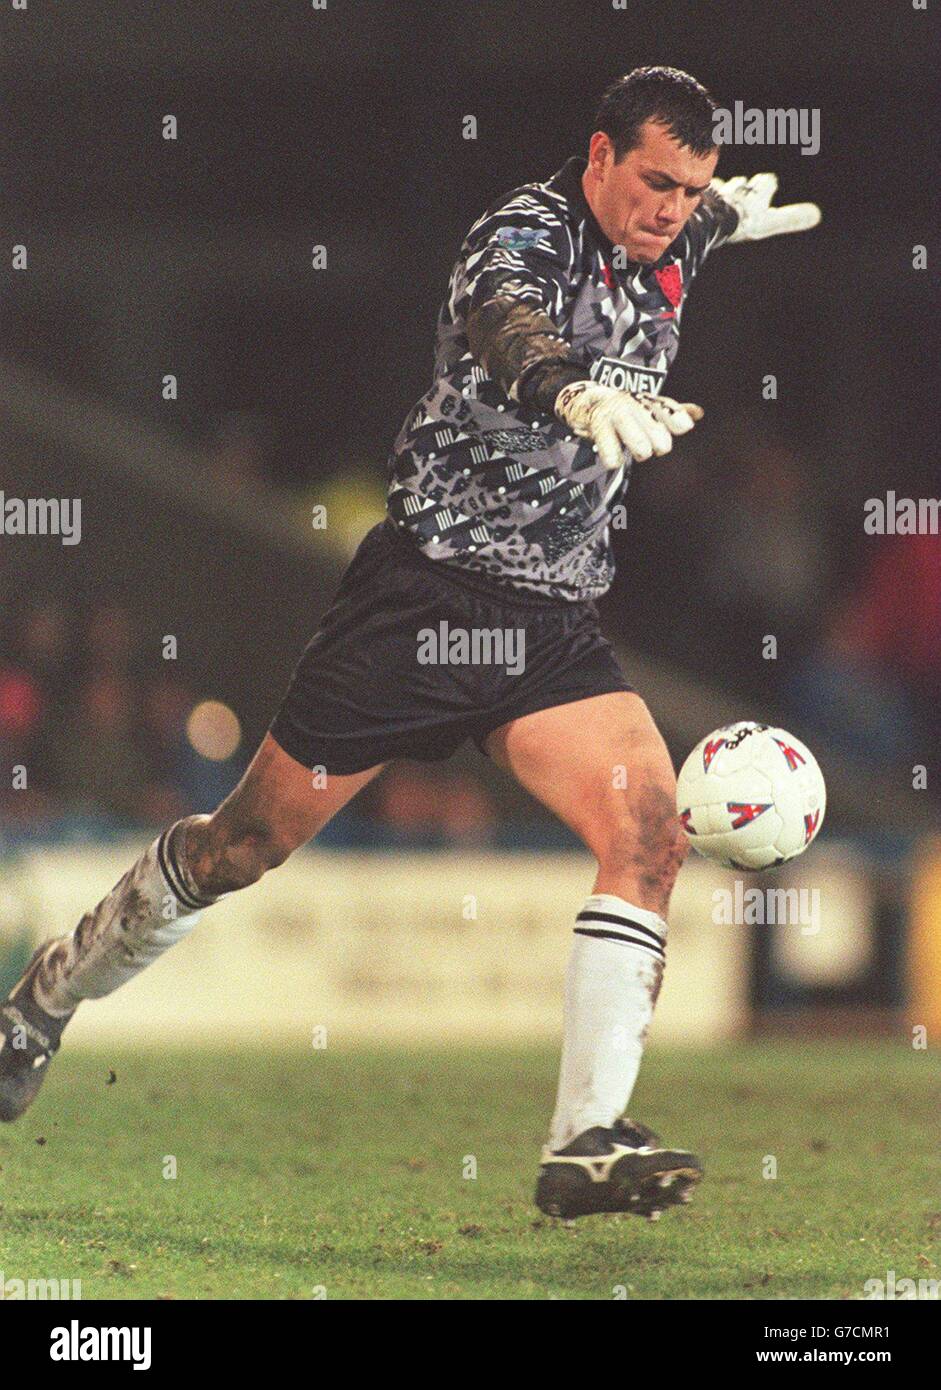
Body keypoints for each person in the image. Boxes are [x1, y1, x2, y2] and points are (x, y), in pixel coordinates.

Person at [0, 67, 820, 1219]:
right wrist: (574, 394)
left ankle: (583, 1139)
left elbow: (704, 214)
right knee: (244, 845)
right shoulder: (523, 232)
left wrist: (728, 205)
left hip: (548, 628)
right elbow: (503, 322)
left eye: (686, 191)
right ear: (595, 158)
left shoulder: (684, 231)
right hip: (420, 605)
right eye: (650, 183)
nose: (667, 209)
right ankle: (43, 1001)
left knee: (645, 832)